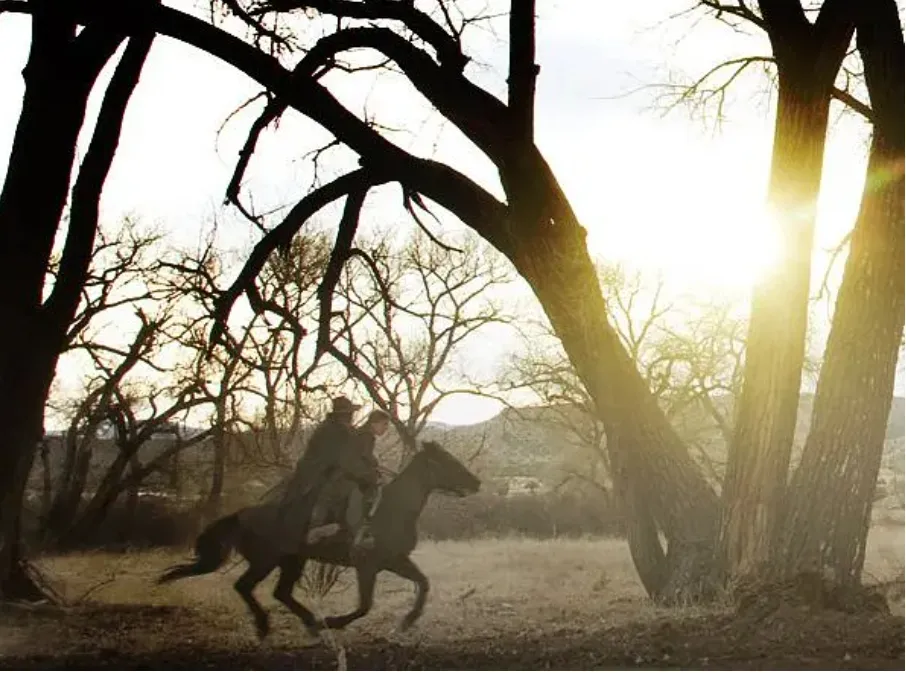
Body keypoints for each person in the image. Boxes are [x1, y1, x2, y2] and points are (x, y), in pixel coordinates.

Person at [269, 395, 379, 554]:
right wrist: (365, 472)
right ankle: (324, 527)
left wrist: (370, 465)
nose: (352, 416)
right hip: (317, 472)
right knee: (342, 490)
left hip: (326, 469)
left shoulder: (340, 428)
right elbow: (343, 458)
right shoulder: (336, 430)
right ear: (343, 415)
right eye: (350, 413)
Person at [306, 409, 391, 549]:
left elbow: (365, 457)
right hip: (346, 477)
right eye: (384, 424)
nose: (386, 428)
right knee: (367, 498)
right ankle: (358, 532)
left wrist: (375, 467)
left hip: (349, 475)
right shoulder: (365, 436)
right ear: (374, 423)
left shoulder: (364, 435)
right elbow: (353, 461)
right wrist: (372, 476)